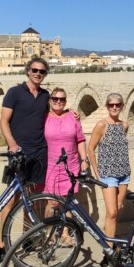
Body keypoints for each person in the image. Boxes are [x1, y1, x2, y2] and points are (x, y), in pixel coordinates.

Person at [0, 57, 51, 266]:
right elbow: (3, 122)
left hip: (39, 152)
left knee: (32, 197)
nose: (38, 74)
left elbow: (51, 117)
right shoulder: (15, 92)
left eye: (42, 71)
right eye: (34, 70)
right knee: (11, 199)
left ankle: (27, 239)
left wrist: (70, 113)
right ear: (27, 71)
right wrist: (13, 145)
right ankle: (1, 245)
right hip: (19, 153)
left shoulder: (45, 96)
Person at [88, 93, 130, 267]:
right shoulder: (101, 125)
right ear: (107, 106)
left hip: (124, 174)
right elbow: (91, 149)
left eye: (118, 104)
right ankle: (108, 251)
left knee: (118, 210)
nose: (114, 107)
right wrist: (97, 173)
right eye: (111, 105)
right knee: (111, 212)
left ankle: (112, 243)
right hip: (108, 175)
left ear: (121, 106)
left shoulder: (125, 125)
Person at [44, 87, 89, 222]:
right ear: (50, 100)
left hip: (71, 166)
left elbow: (80, 140)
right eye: (55, 98)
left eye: (62, 99)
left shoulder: (73, 117)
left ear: (65, 101)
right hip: (51, 166)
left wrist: (84, 159)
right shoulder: (44, 118)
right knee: (52, 203)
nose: (58, 101)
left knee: (67, 202)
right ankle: (49, 233)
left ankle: (65, 234)